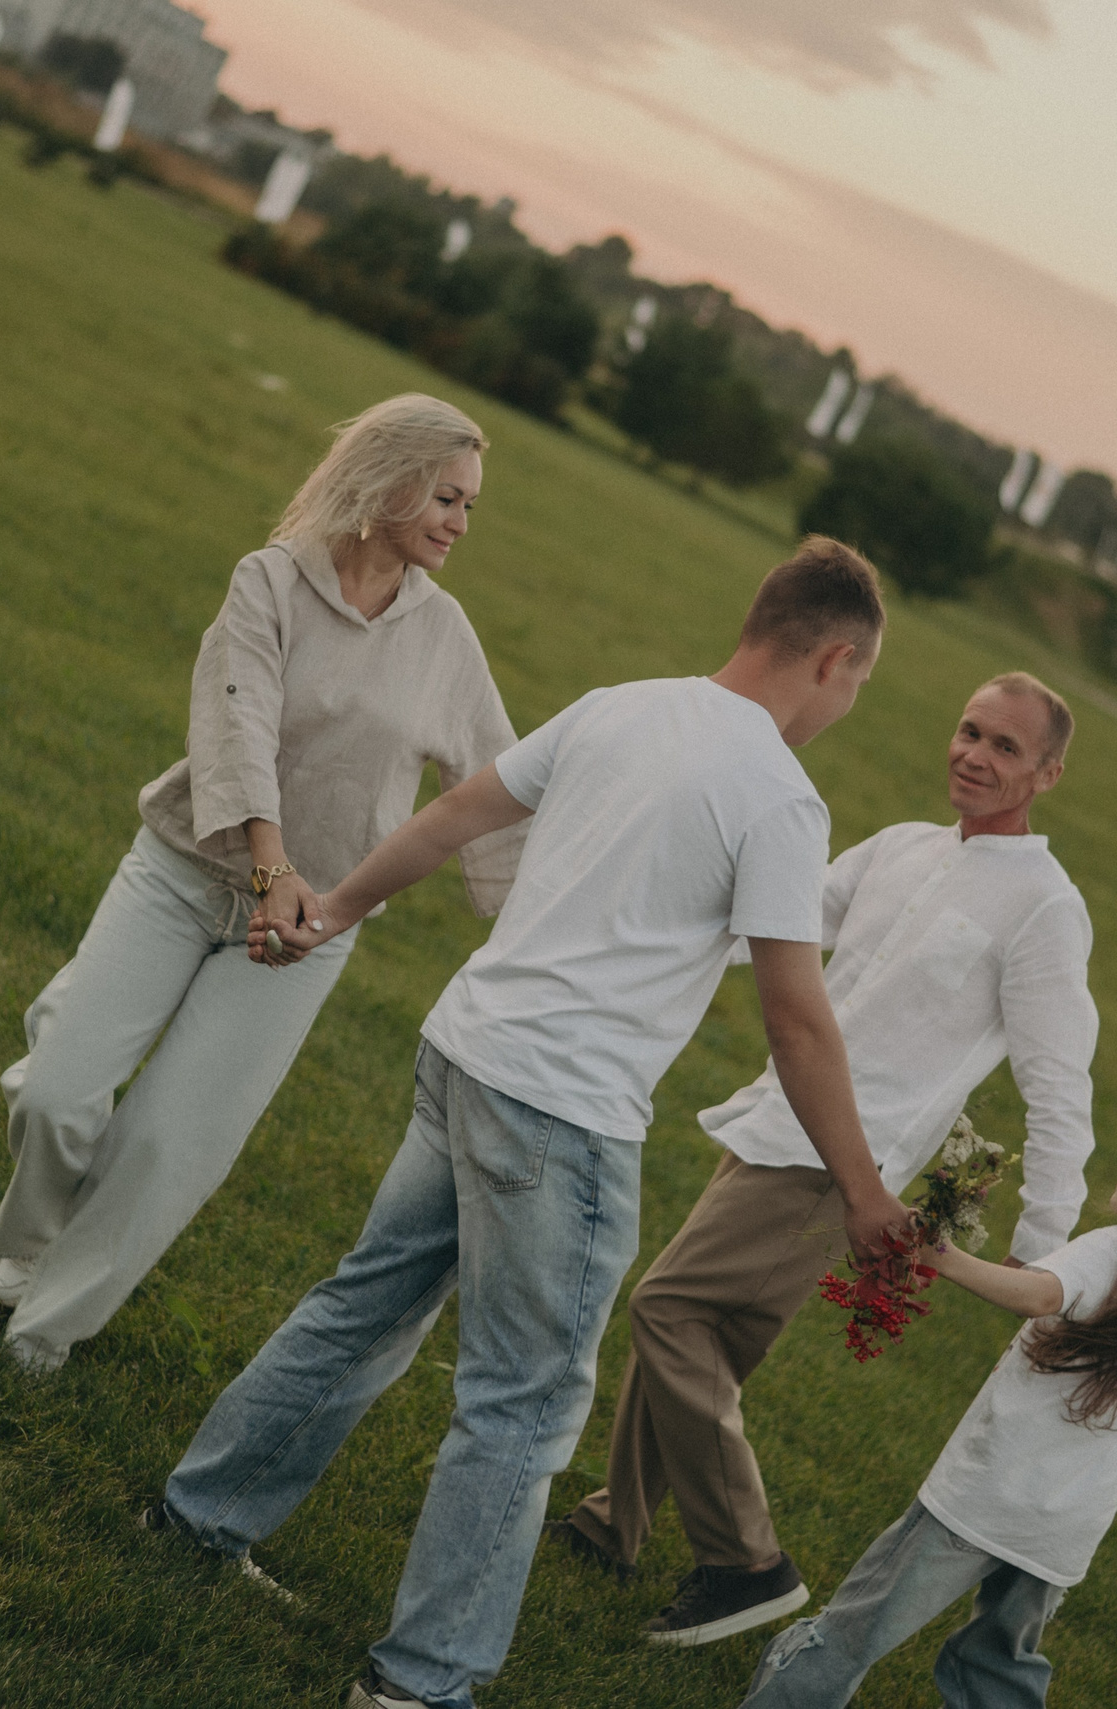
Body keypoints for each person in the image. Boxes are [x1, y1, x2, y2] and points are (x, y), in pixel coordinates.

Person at [144, 539, 902, 1709]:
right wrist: (861, 1190)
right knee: (524, 1403)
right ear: (836, 660)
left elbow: (456, 813)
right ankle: (421, 1680)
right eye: (857, 686)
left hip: (465, 1053)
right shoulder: (782, 799)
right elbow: (797, 1020)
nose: (848, 706)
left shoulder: (619, 706)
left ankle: (194, 1516)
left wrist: (337, 907)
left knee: (362, 1304)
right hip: (560, 1115)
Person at [0, 394, 528, 1373]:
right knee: (60, 1096)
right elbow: (238, 726)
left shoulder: (445, 638)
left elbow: (496, 784)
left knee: (166, 1145)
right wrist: (270, 866)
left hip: (305, 933)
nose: (457, 521)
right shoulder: (270, 581)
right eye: (445, 496)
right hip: (182, 873)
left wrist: (556, 911)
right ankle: (26, 1236)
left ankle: (43, 1330)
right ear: (390, 480)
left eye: (468, 507)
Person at [555, 673, 1100, 1646]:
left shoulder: (1045, 909)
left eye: (1004, 747)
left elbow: (1061, 1084)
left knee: (669, 1308)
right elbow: (775, 923)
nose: (973, 754)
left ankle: (745, 1562)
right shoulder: (902, 845)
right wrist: (631, 922)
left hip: (846, 1164)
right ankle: (614, 1523)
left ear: (1047, 773)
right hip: (777, 1118)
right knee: (704, 1339)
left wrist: (1040, 1244)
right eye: (969, 729)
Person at [734, 1116, 1117, 1708]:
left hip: (982, 1500)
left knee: (855, 1627)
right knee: (998, 1664)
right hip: (1061, 1527)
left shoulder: (1114, 1250)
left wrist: (939, 1256)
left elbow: (1042, 1294)